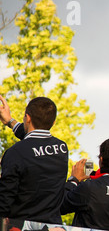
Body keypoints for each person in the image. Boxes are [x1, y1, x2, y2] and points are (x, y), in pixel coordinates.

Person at [0, 96, 69, 224]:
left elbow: (4, 201)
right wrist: (10, 121)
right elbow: (35, 142)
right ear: (53, 122)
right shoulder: (62, 148)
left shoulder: (15, 153)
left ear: (28, 118)